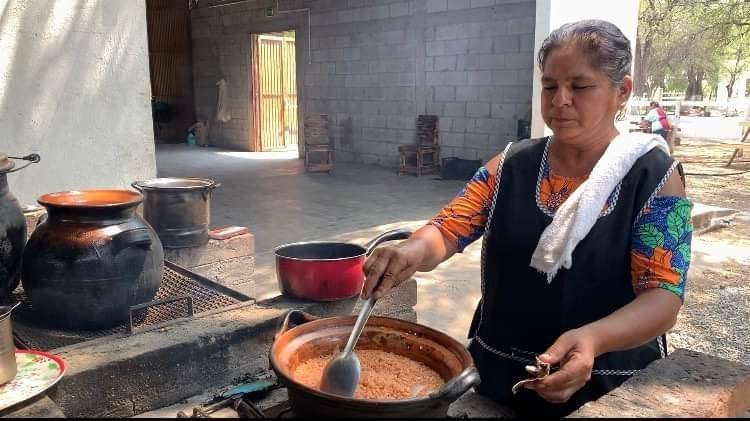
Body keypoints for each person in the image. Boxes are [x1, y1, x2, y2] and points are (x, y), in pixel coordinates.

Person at [361, 20, 692, 417]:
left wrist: (593, 338)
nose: (560, 100)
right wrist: (410, 251)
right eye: (550, 86)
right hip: (499, 374)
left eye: (580, 86)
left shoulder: (652, 177)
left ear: (621, 91)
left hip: (604, 384)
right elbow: (450, 227)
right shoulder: (513, 164)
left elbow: (663, 297)